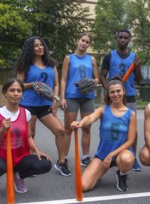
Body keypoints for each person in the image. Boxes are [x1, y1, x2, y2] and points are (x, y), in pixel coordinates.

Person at [0, 78, 52, 200]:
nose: (15, 94)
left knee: (45, 164)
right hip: (1, 158)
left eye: (19, 91)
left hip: (19, 157)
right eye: (12, 90)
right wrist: (2, 130)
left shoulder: (26, 113)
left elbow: (29, 136)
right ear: (5, 93)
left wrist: (37, 150)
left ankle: (18, 176)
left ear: (22, 93)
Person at [15, 36, 70, 177]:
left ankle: (61, 162)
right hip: (28, 104)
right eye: (36, 46)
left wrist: (55, 101)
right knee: (30, 134)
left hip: (46, 104)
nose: (40, 47)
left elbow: (56, 83)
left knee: (60, 131)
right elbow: (18, 85)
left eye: (41, 45)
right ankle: (29, 164)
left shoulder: (51, 64)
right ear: (30, 49)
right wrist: (33, 84)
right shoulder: (25, 65)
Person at [71, 77, 136, 192]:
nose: (116, 94)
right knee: (83, 186)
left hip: (121, 153)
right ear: (108, 94)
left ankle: (122, 174)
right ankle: (98, 174)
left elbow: (130, 141)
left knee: (126, 159)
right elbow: (90, 118)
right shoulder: (103, 110)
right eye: (112, 92)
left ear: (124, 92)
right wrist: (80, 123)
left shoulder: (131, 114)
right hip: (103, 155)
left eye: (118, 91)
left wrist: (112, 155)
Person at [100, 29, 143, 172]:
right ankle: (105, 155)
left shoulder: (134, 57)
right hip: (114, 96)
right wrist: (108, 89)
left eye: (126, 38)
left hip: (129, 95)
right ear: (117, 38)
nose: (123, 40)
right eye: (120, 37)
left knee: (132, 130)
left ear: (129, 40)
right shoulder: (109, 56)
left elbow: (139, 80)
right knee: (109, 127)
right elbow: (102, 76)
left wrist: (138, 67)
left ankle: (133, 157)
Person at [60, 33, 99, 167]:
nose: (84, 43)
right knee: (69, 129)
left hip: (87, 97)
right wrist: (62, 97)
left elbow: (97, 78)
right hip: (72, 96)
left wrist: (94, 83)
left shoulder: (92, 60)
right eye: (82, 40)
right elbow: (63, 79)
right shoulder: (68, 58)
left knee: (86, 128)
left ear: (89, 45)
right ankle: (63, 159)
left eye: (87, 42)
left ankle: (85, 156)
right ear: (77, 41)